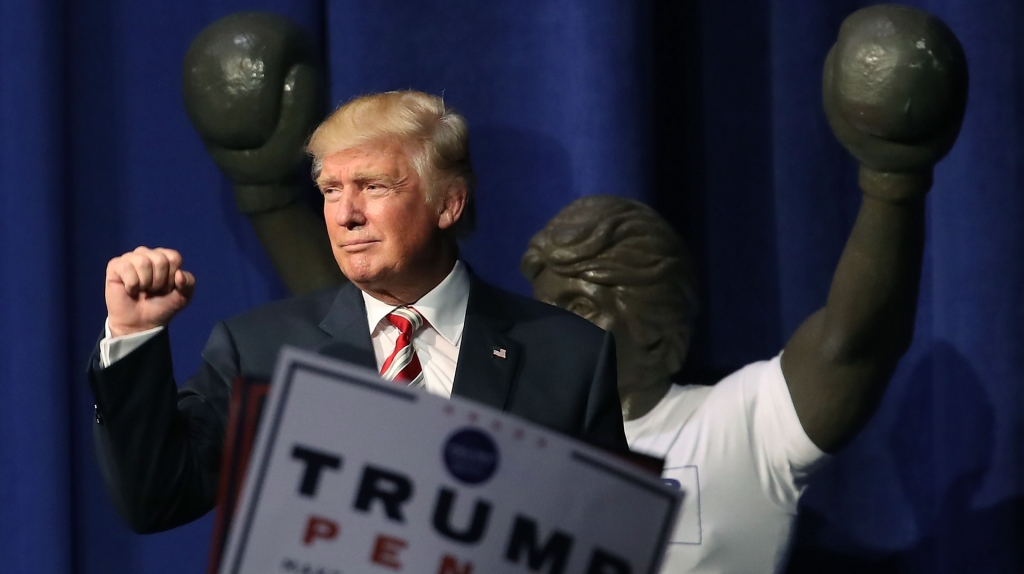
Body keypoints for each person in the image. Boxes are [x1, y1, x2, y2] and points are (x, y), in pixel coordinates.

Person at [88, 90, 627, 534]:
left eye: (373, 186)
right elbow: (156, 500)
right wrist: (133, 336)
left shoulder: (568, 356)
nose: (345, 214)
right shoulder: (259, 350)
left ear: (449, 203)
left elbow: (606, 541)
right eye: (330, 190)